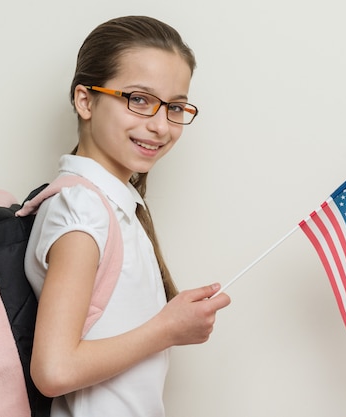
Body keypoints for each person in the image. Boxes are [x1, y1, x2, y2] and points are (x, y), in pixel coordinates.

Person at [24, 15, 231, 417]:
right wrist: (168, 328)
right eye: (139, 99)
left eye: (174, 106)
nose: (159, 125)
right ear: (85, 100)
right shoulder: (83, 210)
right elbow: (53, 369)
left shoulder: (110, 204)